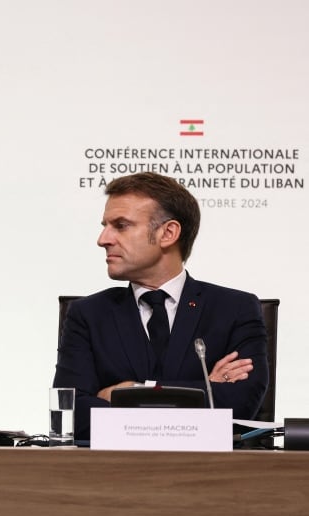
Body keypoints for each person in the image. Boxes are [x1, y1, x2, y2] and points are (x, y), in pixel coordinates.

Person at [53, 171, 267, 441]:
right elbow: (72, 415)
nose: (103, 239)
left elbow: (238, 406)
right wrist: (205, 388)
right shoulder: (88, 314)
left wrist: (130, 390)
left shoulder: (235, 308)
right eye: (105, 225)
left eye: (120, 225)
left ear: (168, 233)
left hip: (211, 475)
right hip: (109, 475)